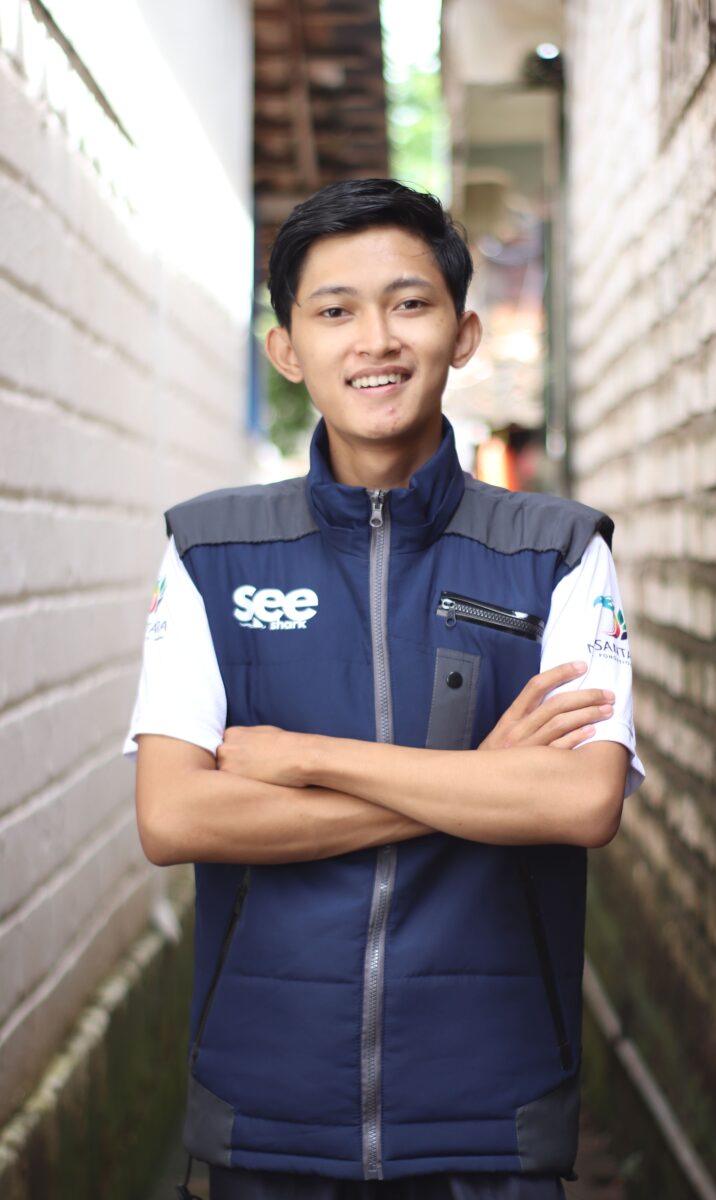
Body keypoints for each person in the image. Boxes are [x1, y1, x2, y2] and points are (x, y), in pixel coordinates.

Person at [125, 178, 644, 1200]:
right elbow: (175, 815)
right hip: (267, 1108)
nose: (376, 340)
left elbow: (581, 804)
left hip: (490, 1116)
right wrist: (473, 784)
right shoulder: (210, 552)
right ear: (287, 349)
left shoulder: (556, 554)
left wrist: (305, 759)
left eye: (409, 304)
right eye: (335, 311)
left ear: (462, 333)